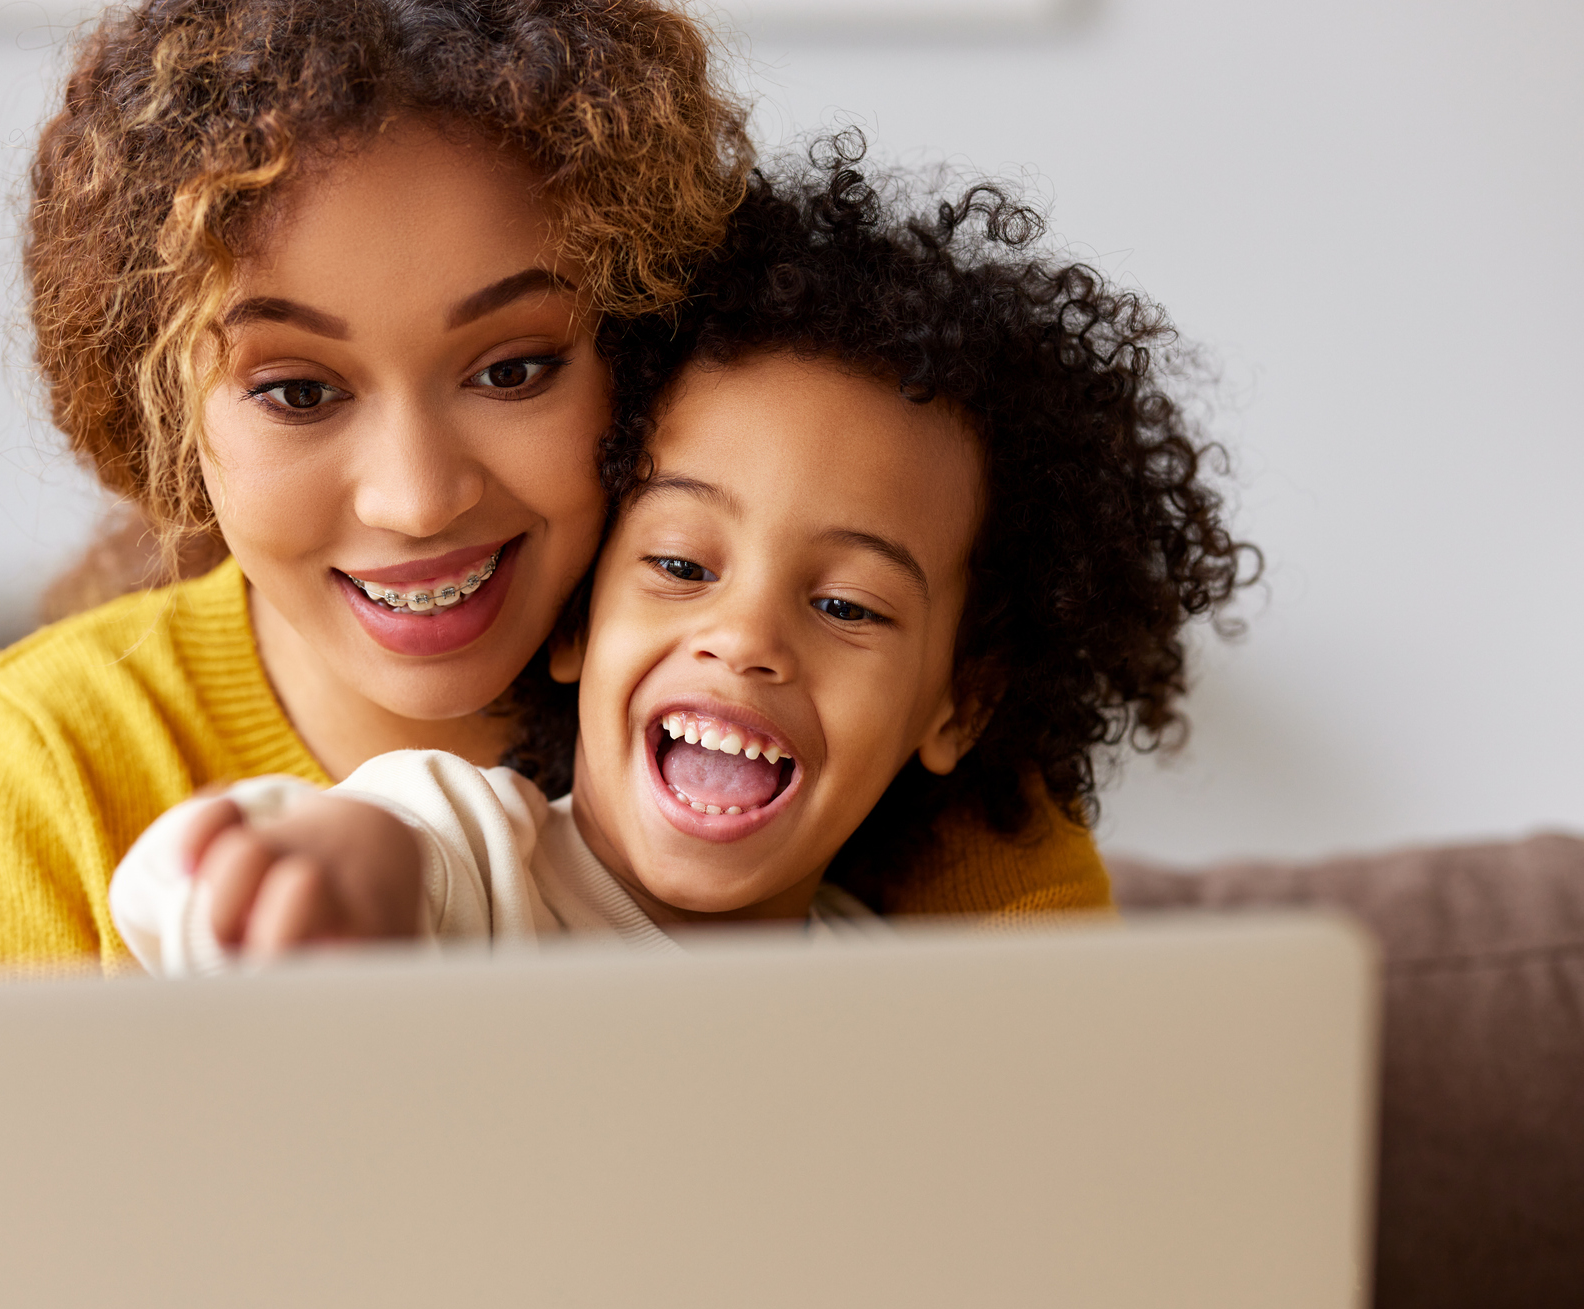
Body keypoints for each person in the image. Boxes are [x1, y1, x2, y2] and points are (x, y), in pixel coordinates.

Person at [0, 0, 1119, 980]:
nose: (417, 497)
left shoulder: (881, 741)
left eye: (513, 367)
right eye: (295, 389)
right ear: (172, 414)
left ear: (644, 361)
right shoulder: (63, 749)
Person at [104, 146, 1253, 970]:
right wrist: (314, 872)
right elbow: (319, 861)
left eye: (849, 604)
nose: (747, 637)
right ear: (576, 619)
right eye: (683, 567)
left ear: (960, 702)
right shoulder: (470, 861)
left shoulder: (904, 1003)